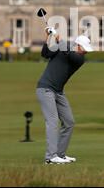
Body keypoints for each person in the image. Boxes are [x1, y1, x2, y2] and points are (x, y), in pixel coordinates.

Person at [36, 27, 93, 165]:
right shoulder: (63, 49)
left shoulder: (79, 59)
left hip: (58, 92)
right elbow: (45, 53)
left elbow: (68, 52)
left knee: (69, 121)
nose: (85, 51)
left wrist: (57, 36)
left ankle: (60, 154)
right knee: (53, 121)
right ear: (77, 45)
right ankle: (50, 157)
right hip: (45, 88)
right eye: (83, 48)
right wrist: (48, 36)